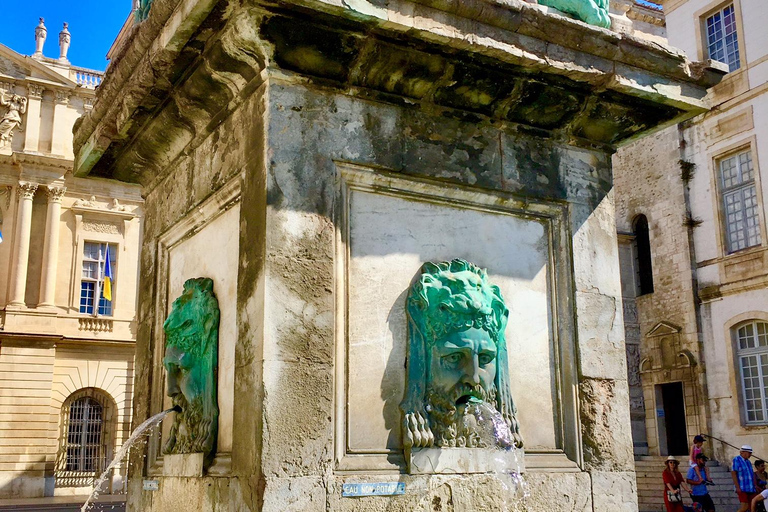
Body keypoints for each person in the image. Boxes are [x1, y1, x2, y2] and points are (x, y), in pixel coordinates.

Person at [734, 445, 759, 512]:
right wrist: (737, 487)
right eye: (749, 453)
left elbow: (751, 474)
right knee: (745, 507)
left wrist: (755, 485)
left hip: (751, 488)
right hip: (742, 487)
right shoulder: (737, 460)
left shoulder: (748, 462)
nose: (750, 454)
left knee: (753, 506)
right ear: (742, 452)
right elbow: (733, 473)